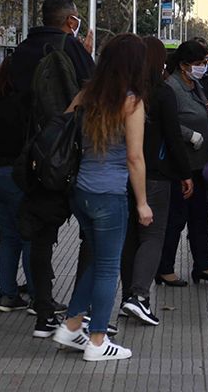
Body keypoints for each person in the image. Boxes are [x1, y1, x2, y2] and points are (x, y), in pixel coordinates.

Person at [52, 33, 152, 361]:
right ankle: (97, 341)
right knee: (109, 268)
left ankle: (71, 325)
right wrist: (142, 202)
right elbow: (134, 158)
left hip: (80, 191)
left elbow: (62, 130)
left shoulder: (86, 95)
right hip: (110, 196)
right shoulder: (131, 102)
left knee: (96, 261)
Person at [10, 0, 95, 338]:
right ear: (70, 21)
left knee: (41, 239)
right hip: (72, 155)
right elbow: (91, 95)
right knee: (90, 234)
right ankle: (78, 313)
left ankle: (43, 312)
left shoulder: (22, 51)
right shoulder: (71, 48)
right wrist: (85, 54)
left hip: (35, 157)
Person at [119, 37, 193, 326]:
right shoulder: (162, 93)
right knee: (153, 236)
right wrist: (185, 173)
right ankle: (139, 296)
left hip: (122, 175)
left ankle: (128, 294)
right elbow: (174, 138)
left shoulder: (123, 93)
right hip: (156, 176)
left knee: (130, 238)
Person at [157, 40, 208, 286]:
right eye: (199, 63)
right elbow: (166, 121)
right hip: (182, 164)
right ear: (184, 64)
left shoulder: (195, 83)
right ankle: (165, 268)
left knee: (200, 218)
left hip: (202, 164)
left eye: (204, 63)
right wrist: (190, 134)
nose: (203, 67)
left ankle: (204, 266)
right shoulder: (171, 87)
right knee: (177, 218)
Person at [0, 57, 32, 312]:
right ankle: (37, 295)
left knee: (8, 237)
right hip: (17, 176)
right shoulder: (27, 104)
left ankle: (7, 294)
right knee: (30, 237)